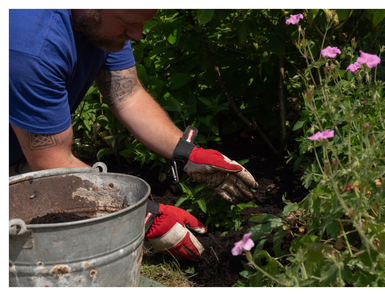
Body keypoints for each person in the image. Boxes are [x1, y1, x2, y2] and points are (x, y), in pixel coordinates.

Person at [9, 9, 258, 261]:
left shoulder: (103, 25)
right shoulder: (31, 50)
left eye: (141, 24)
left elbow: (126, 94)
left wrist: (188, 152)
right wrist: (142, 214)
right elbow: (51, 164)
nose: (137, 35)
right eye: (129, 23)